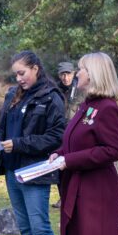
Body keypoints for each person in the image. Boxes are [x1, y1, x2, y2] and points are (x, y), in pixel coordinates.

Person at [0, 50, 65, 235]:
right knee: (26, 231)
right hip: (11, 170)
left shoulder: (52, 97)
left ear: (35, 68)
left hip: (35, 172)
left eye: (22, 73)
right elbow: (3, 131)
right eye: (15, 74)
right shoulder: (12, 94)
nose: (18, 79)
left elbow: (56, 136)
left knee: (40, 230)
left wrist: (18, 144)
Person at [50, 52, 118, 235]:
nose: (77, 73)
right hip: (79, 186)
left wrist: (69, 160)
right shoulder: (88, 105)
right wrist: (59, 154)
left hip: (96, 192)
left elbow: (113, 150)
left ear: (93, 74)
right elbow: (75, 140)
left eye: (81, 69)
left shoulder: (107, 107)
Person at [52, 62, 78, 209]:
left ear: (74, 73)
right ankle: (63, 197)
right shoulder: (54, 90)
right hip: (59, 134)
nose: (65, 77)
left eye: (68, 73)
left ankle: (72, 197)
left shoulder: (82, 89)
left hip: (75, 134)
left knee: (73, 166)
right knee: (59, 167)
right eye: (63, 74)